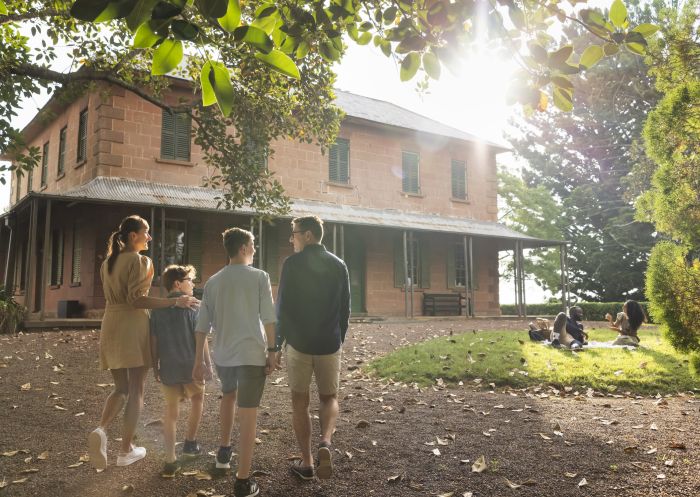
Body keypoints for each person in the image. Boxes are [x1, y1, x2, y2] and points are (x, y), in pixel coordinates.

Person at [88, 215, 199, 470]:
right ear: (132, 236)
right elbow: (136, 300)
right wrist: (174, 301)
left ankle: (101, 429)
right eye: (146, 232)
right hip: (132, 325)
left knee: (121, 388)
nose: (149, 237)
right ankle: (125, 451)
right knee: (136, 389)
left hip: (111, 323)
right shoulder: (141, 261)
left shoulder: (107, 263)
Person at [192, 227, 277, 497]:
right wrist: (273, 350)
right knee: (248, 412)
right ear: (242, 248)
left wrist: (198, 361)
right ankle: (242, 480)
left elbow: (201, 326)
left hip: (223, 356)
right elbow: (269, 317)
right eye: (252, 245)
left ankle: (224, 450)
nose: (254, 250)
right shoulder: (260, 277)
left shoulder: (213, 282)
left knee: (228, 397)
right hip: (252, 354)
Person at [275, 216, 350, 480]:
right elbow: (345, 309)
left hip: (299, 344)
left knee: (300, 402)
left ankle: (307, 463)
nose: (291, 239)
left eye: (294, 234)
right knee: (329, 397)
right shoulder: (339, 265)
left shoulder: (292, 264)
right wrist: (338, 338)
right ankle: (326, 442)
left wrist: (276, 344)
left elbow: (282, 307)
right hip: (329, 343)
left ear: (307, 235)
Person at [150, 264, 213, 477]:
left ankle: (170, 460)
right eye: (190, 281)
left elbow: (153, 341)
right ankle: (190, 443)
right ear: (178, 283)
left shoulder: (157, 310)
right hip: (191, 365)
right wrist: (207, 363)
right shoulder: (195, 306)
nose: (193, 285)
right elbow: (201, 338)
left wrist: (154, 365)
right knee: (197, 400)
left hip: (168, 366)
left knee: (171, 412)